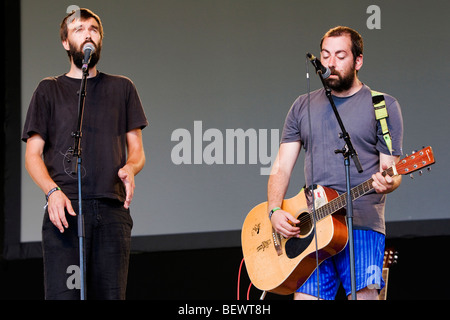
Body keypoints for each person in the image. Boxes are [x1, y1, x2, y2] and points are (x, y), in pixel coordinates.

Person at [267, 26, 403, 300]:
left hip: (362, 226)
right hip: (312, 230)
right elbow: (281, 166)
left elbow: (393, 172)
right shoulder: (301, 106)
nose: (330, 63)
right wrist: (273, 211)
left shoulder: (383, 105)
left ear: (358, 61)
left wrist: (389, 181)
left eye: (340, 55)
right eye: (326, 55)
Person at [22, 8, 148, 300]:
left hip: (111, 211)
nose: (88, 33)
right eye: (79, 29)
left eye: (93, 29)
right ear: (66, 42)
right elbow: (32, 155)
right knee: (66, 295)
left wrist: (130, 168)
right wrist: (52, 192)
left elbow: (138, 151)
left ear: (100, 38)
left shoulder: (122, 87)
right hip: (65, 212)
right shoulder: (48, 90)